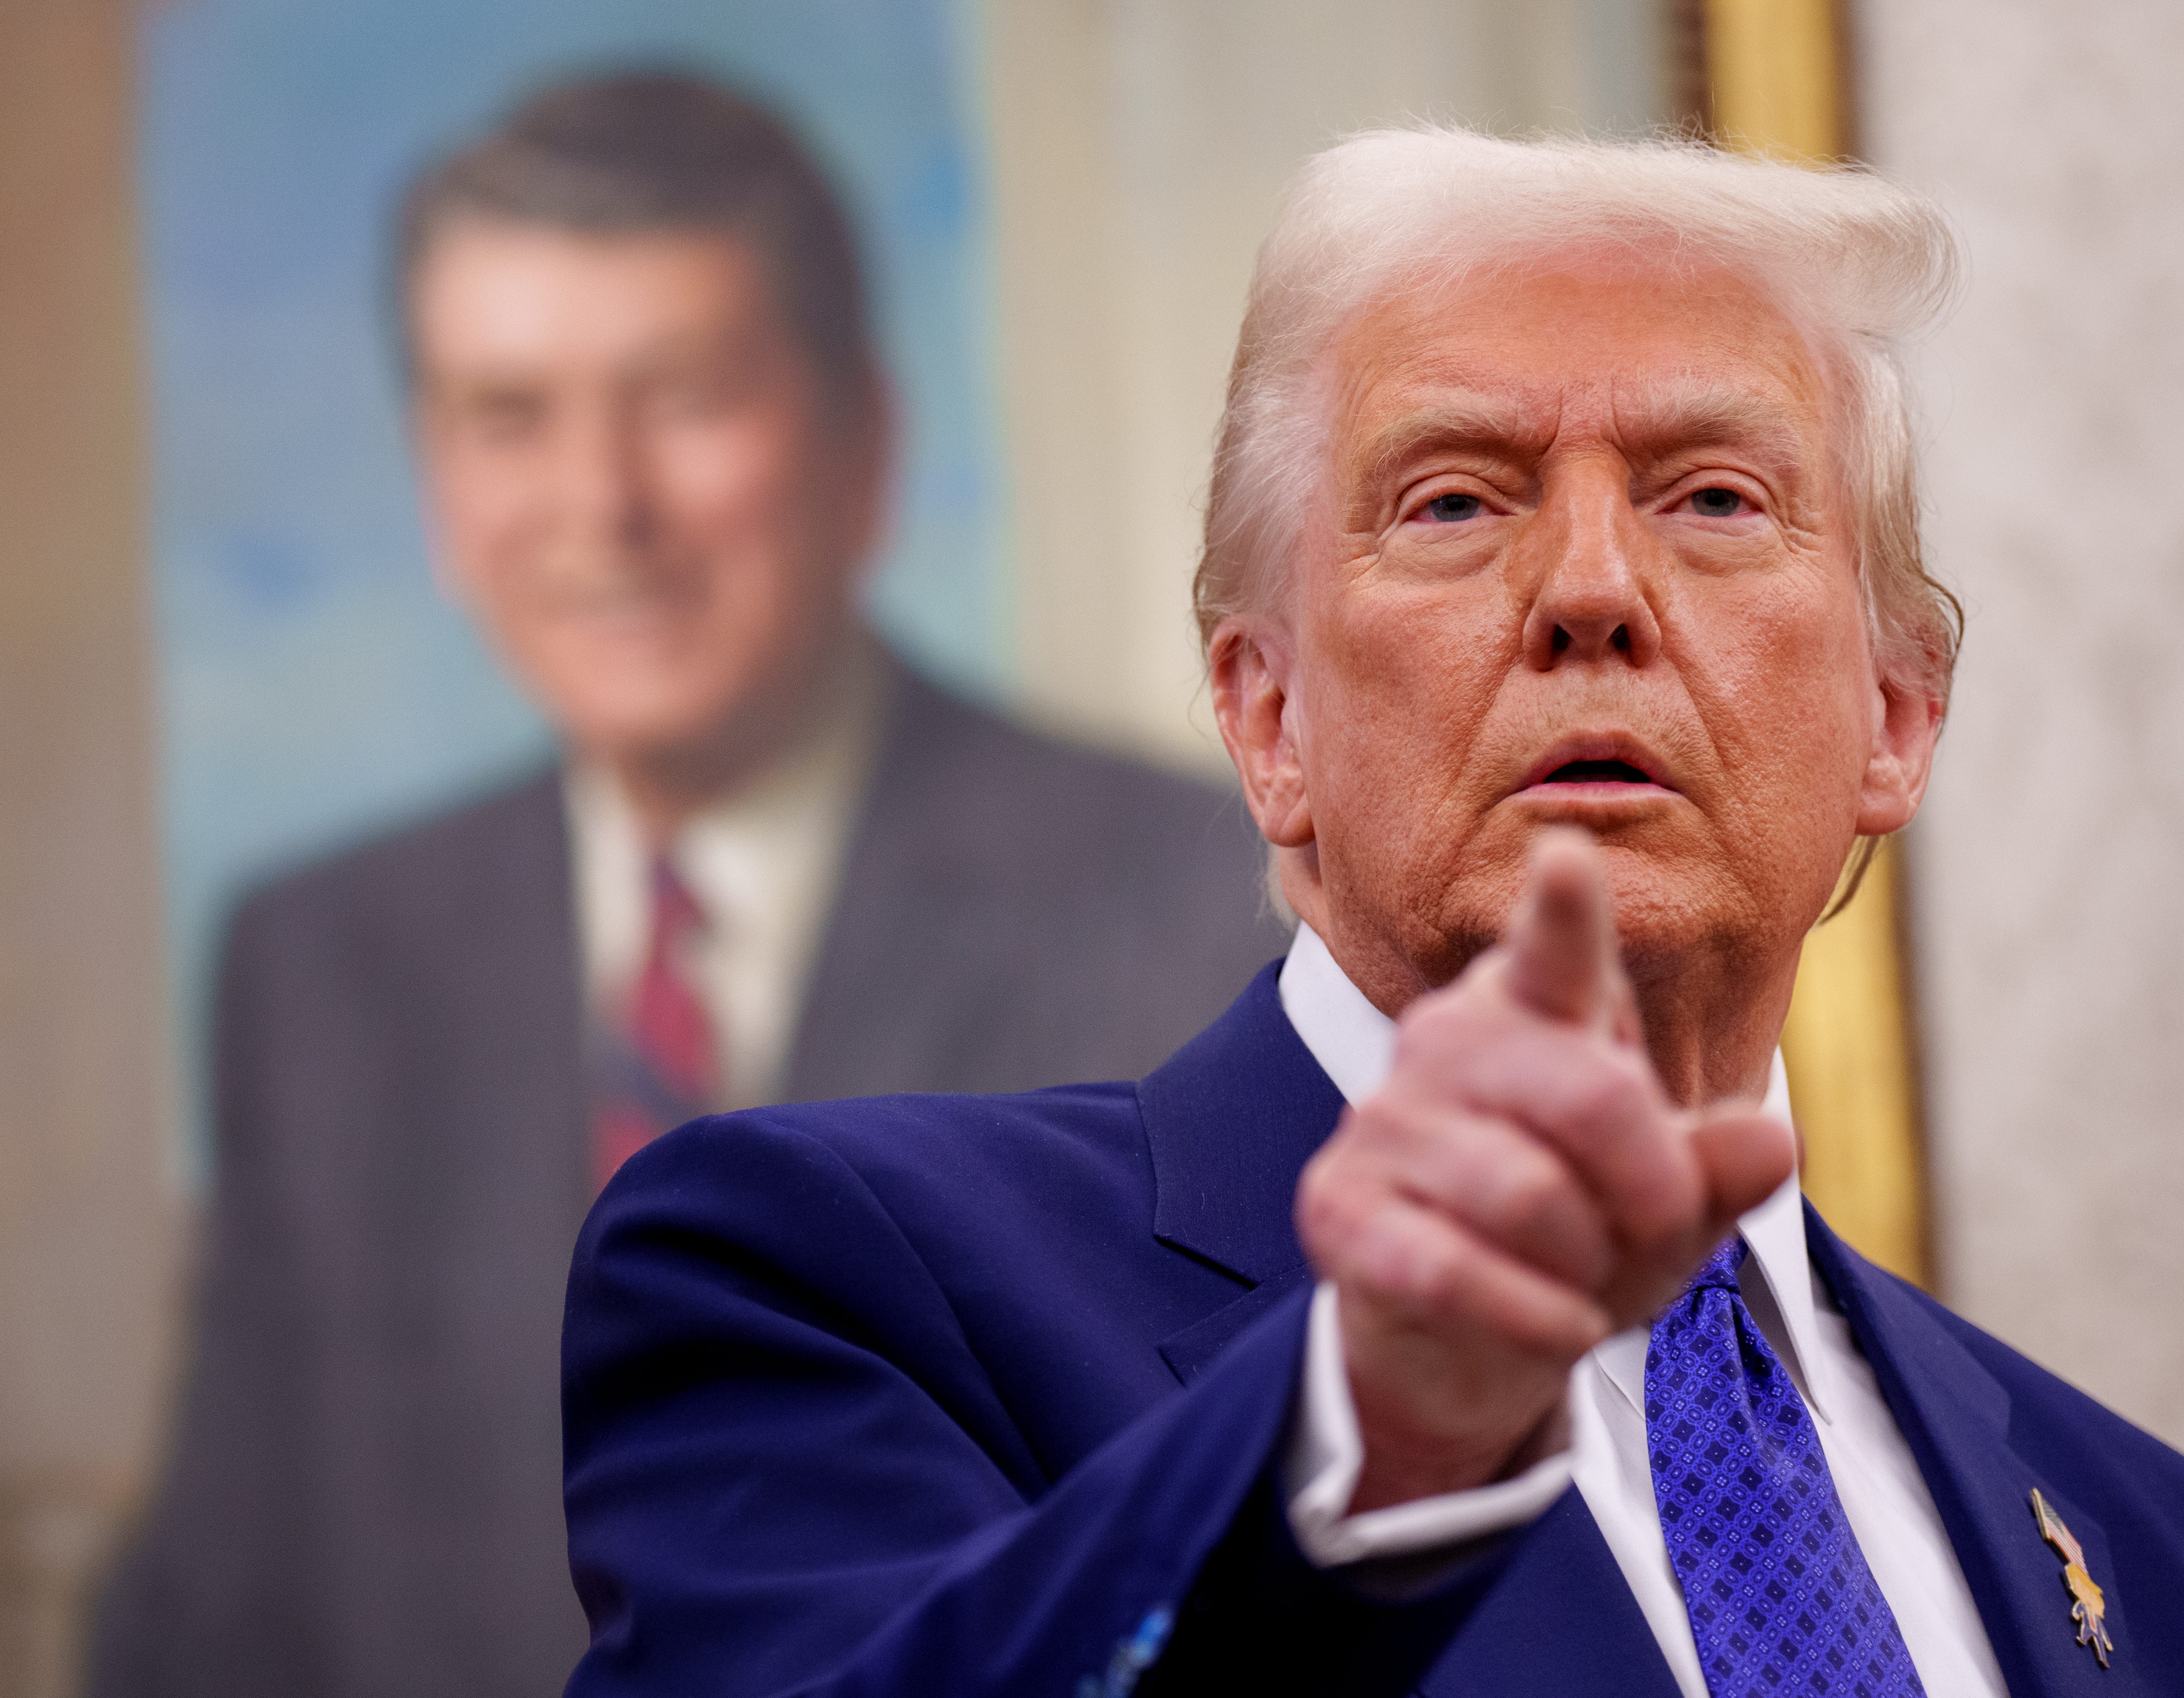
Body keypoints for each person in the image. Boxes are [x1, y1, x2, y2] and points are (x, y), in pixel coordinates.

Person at [560, 129, 2184, 1695]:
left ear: (1896, 716)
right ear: (1270, 721)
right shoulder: (843, 1280)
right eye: (1456, 503)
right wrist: (1360, 1434)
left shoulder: (2138, 1530)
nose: (1593, 592)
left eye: (1715, 498)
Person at [89, 73, 1284, 1698]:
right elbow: (218, 1611)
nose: (603, 511)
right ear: (437, 486)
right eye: (510, 418)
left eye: (686, 398)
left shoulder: (1193, 891)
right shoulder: (320, 966)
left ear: (865, 442)